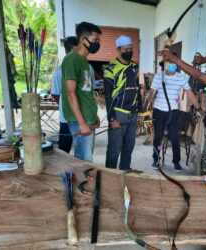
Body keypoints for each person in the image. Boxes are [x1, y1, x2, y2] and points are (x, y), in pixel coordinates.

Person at [148, 59, 200, 172]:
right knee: (158, 138)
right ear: (164, 64)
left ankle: (176, 162)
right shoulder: (159, 76)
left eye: (174, 63)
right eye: (169, 62)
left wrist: (198, 107)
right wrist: (149, 99)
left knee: (175, 138)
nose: (172, 65)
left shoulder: (181, 77)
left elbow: (190, 93)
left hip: (173, 112)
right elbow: (152, 91)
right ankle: (156, 159)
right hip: (159, 111)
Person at [61, 22, 101, 162]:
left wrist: (93, 114)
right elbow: (71, 93)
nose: (97, 44)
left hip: (87, 117)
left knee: (87, 159)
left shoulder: (84, 61)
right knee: (84, 162)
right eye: (95, 40)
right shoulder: (71, 60)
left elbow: (85, 91)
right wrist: (82, 123)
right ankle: (81, 184)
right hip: (80, 121)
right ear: (84, 40)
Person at [104, 35, 141, 170]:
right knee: (115, 147)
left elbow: (137, 89)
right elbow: (108, 95)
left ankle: (125, 172)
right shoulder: (111, 68)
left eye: (131, 49)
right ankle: (110, 175)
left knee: (129, 147)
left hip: (132, 113)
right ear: (118, 50)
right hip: (118, 113)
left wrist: (140, 109)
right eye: (126, 49)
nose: (129, 51)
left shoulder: (134, 66)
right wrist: (112, 118)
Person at [51, 36, 78, 153]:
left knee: (82, 150)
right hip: (66, 118)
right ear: (67, 51)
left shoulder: (84, 68)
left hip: (81, 117)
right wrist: (64, 105)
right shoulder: (59, 71)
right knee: (64, 148)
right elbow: (55, 93)